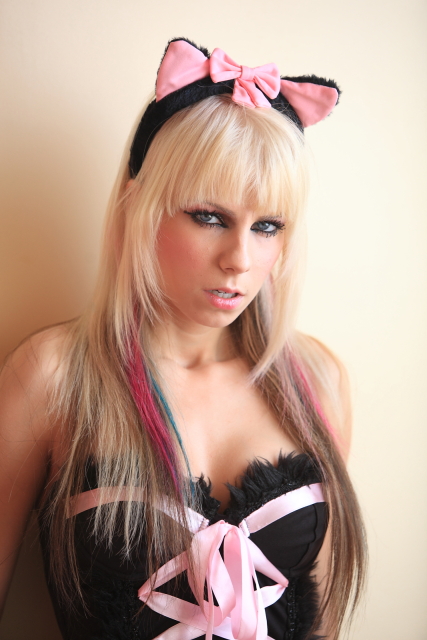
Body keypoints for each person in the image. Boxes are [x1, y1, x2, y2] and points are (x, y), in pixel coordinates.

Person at [0, 38, 366, 640]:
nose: (239, 259)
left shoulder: (318, 381)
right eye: (209, 217)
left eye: (267, 225)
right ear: (139, 207)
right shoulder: (51, 378)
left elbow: (319, 621)